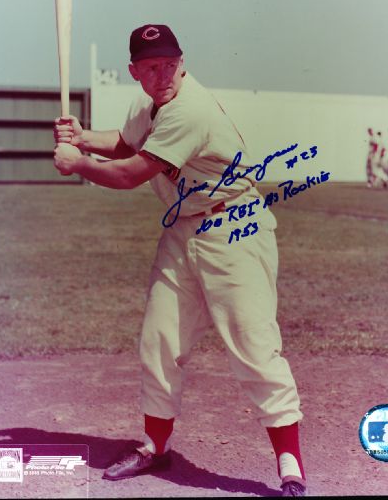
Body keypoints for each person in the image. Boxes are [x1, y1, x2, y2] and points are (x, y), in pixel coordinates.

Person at [53, 24, 307, 497]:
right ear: (136, 73)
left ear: (183, 62)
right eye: (152, 67)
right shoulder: (147, 102)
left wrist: (77, 163)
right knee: (159, 338)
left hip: (234, 227)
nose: (163, 73)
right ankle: (155, 445)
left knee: (254, 347)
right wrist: (85, 138)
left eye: (170, 63)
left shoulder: (189, 108)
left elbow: (130, 173)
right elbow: (128, 143)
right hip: (183, 226)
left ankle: (289, 461)